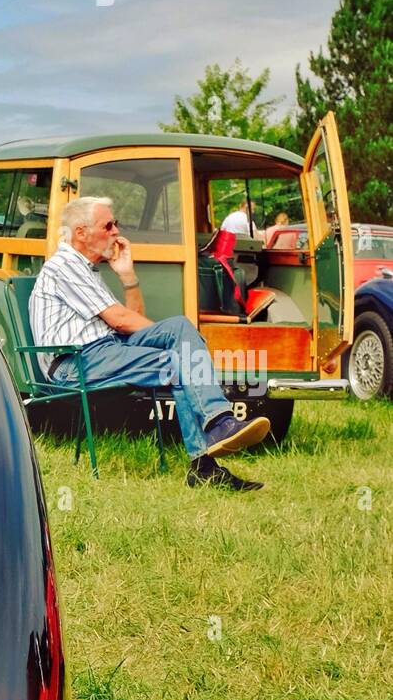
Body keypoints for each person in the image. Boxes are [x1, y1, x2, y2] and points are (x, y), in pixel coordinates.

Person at [28, 196, 271, 490]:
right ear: (81, 232)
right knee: (179, 361)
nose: (117, 231)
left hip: (105, 349)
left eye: (116, 224)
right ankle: (210, 448)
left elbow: (131, 319)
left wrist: (127, 276)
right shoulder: (64, 266)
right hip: (74, 362)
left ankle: (216, 429)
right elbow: (120, 320)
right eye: (108, 225)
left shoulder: (85, 268)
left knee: (179, 328)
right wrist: (182, 351)